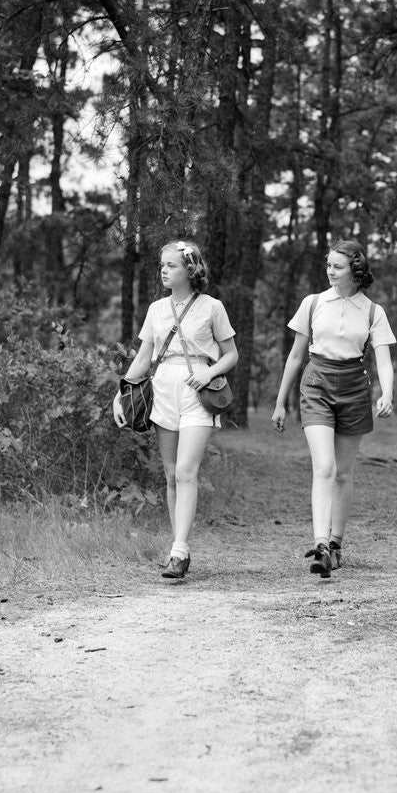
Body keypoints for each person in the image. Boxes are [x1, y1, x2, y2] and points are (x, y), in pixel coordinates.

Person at [112, 239, 238, 579]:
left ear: (190, 269)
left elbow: (231, 354)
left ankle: (179, 552)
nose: (164, 271)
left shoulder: (212, 307)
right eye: (162, 265)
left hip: (199, 393)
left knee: (186, 471)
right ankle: (177, 546)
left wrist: (209, 371)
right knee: (170, 474)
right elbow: (142, 358)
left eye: (171, 265)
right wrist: (120, 393)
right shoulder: (156, 309)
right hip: (163, 389)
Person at [271, 240, 396, 579]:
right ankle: (321, 543)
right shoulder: (313, 304)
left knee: (342, 472)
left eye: (337, 266)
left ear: (355, 271)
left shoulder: (373, 312)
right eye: (328, 264)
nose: (330, 270)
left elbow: (383, 359)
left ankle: (336, 545)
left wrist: (387, 393)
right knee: (323, 467)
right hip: (316, 385)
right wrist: (281, 400)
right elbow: (296, 355)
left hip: (355, 387)